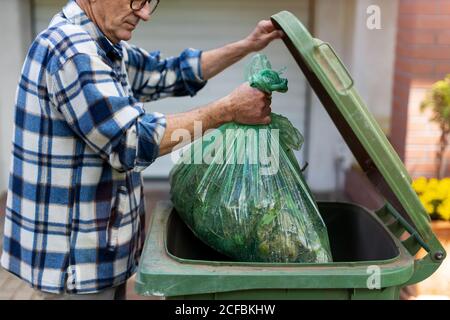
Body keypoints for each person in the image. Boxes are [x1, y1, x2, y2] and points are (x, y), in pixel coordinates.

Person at [0, 0, 283, 299]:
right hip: (77, 266)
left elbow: (170, 72)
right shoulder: (71, 49)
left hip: (99, 256)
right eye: (135, 0)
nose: (145, 14)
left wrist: (248, 44)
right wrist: (228, 110)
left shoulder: (104, 46)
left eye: (150, 2)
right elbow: (130, 141)